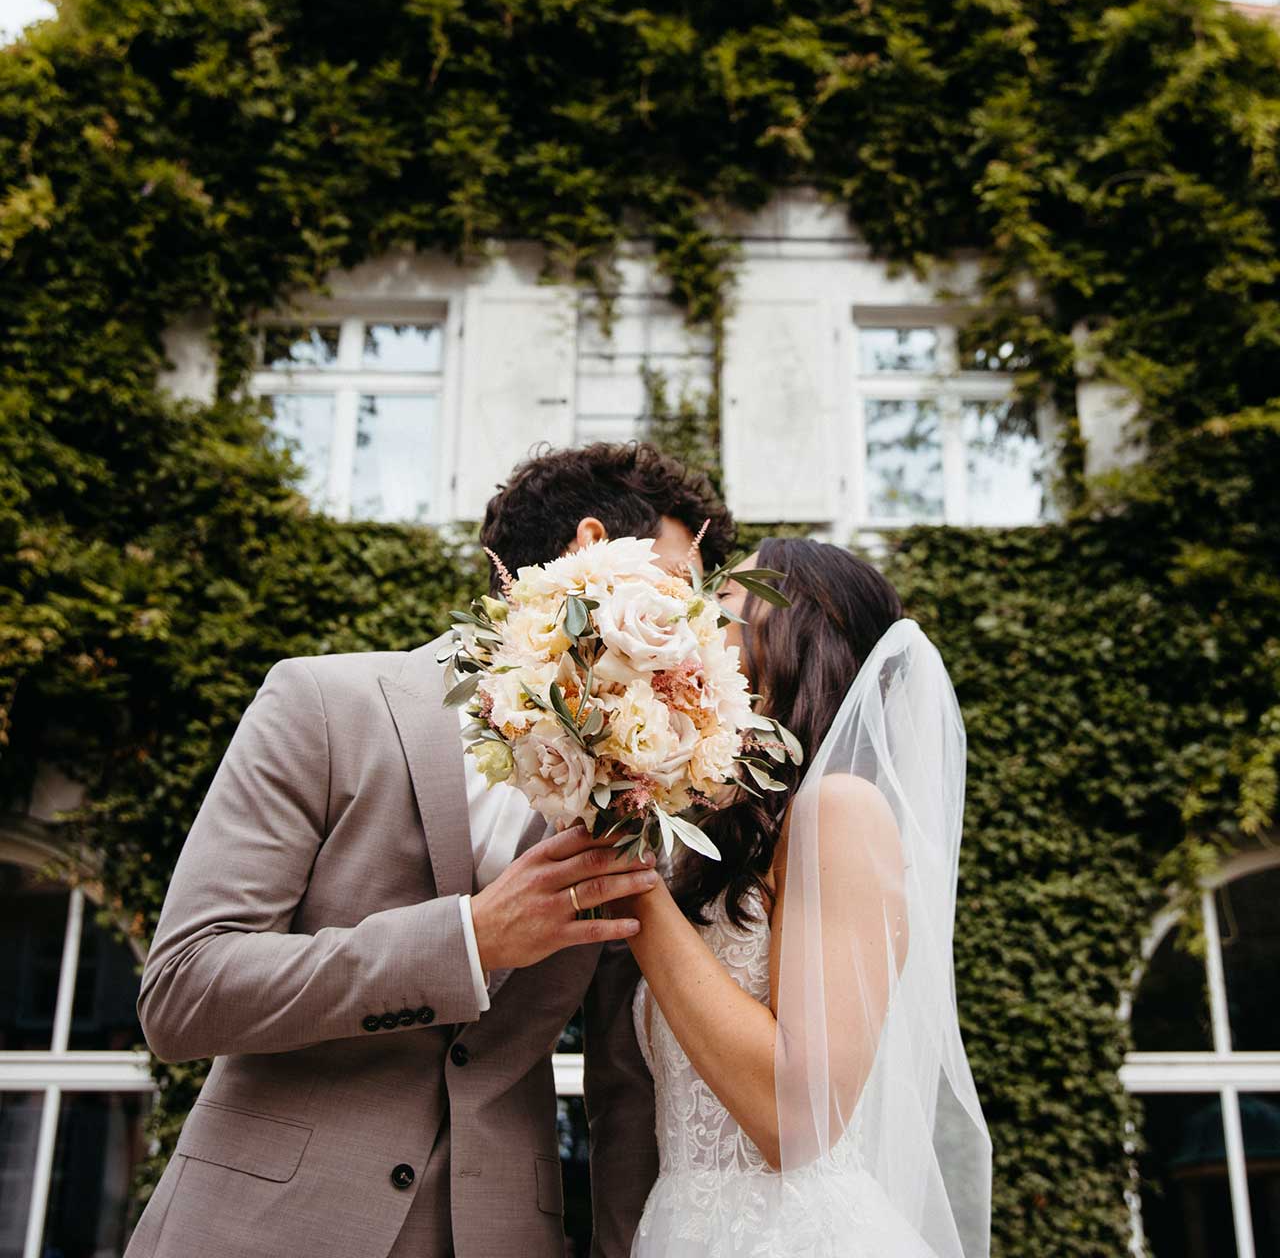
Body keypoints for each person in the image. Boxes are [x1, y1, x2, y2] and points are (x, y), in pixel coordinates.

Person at [126, 441, 733, 1258]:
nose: (692, 635)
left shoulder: (647, 796)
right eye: (679, 591)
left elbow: (626, 1089)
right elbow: (184, 992)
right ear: (593, 550)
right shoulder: (321, 703)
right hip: (262, 1226)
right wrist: (468, 942)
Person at [627, 537, 991, 1258]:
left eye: (724, 607)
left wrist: (629, 888)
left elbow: (793, 1117)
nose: (697, 628)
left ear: (795, 635)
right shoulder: (724, 843)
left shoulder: (840, 810)